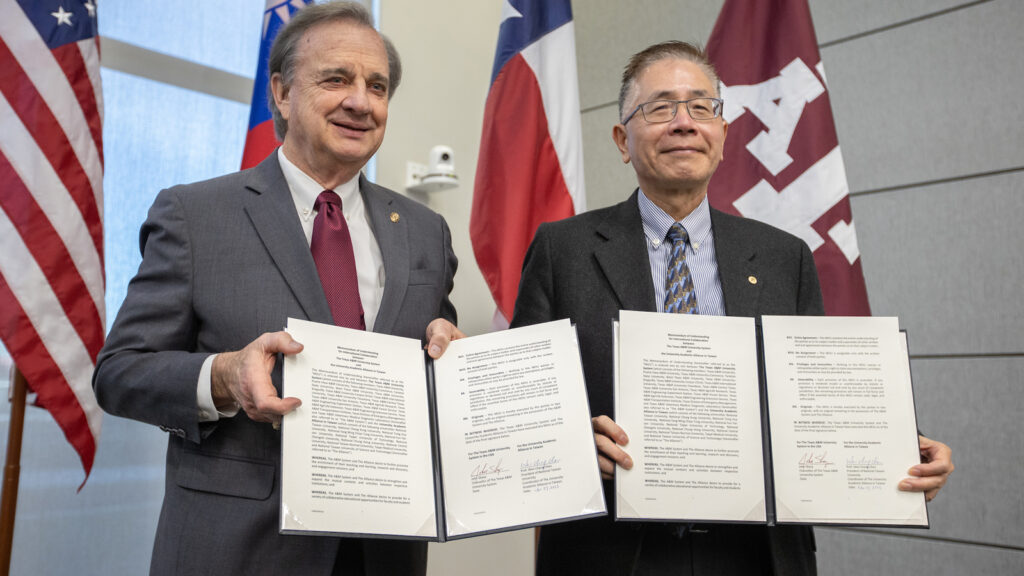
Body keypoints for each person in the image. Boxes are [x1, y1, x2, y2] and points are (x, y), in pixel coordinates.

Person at [511, 41, 954, 575]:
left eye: (702, 107)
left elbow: (817, 391)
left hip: (756, 555)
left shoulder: (783, 255)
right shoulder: (564, 250)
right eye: (659, 108)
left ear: (722, 135)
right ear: (621, 141)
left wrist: (899, 448)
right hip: (610, 553)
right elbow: (522, 408)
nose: (683, 123)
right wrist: (578, 444)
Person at [93, 3, 462, 575]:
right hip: (239, 549)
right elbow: (119, 373)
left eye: (377, 86)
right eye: (336, 78)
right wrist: (222, 375)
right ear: (283, 93)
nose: (360, 101)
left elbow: (437, 346)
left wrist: (446, 348)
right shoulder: (196, 214)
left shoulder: (424, 231)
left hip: (384, 550)